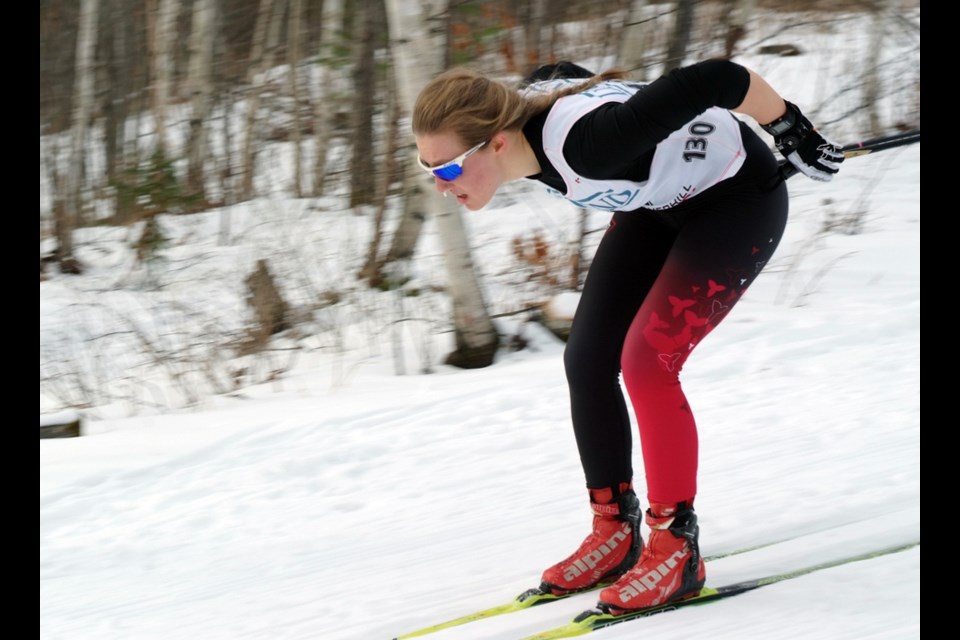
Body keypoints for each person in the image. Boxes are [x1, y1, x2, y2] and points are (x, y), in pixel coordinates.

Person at [411, 58, 843, 615]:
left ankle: (675, 547)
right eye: (428, 172)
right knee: (588, 359)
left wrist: (791, 128)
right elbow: (562, 73)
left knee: (647, 361)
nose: (442, 187)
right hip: (654, 208)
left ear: (495, 143)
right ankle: (615, 530)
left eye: (447, 170)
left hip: (735, 203)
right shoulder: (521, 122)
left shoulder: (590, 146)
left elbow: (717, 79)